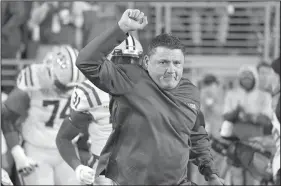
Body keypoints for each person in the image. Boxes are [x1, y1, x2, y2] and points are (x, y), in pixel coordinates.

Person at [75, 9, 223, 185]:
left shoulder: (190, 92)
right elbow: (86, 61)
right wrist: (121, 28)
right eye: (163, 62)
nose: (171, 70)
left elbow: (197, 136)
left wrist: (211, 174)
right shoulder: (130, 79)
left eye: (177, 63)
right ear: (146, 62)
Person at [56, 34, 143, 185]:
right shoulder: (91, 92)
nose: (129, 67)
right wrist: (79, 168)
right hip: (104, 170)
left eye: (134, 61)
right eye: (123, 60)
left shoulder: (151, 90)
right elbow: (63, 138)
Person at [1, 45, 85, 185]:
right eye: (63, 84)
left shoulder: (84, 82)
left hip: (67, 150)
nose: (66, 90)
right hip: (36, 149)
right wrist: (18, 154)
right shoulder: (34, 80)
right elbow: (7, 117)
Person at [220, 65, 274, 185]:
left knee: (254, 177)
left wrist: (250, 117)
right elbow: (225, 116)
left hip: (256, 142)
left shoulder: (264, 96)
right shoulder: (231, 94)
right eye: (243, 77)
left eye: (249, 76)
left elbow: (267, 120)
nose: (246, 79)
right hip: (235, 141)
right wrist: (237, 112)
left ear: (254, 78)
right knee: (236, 174)